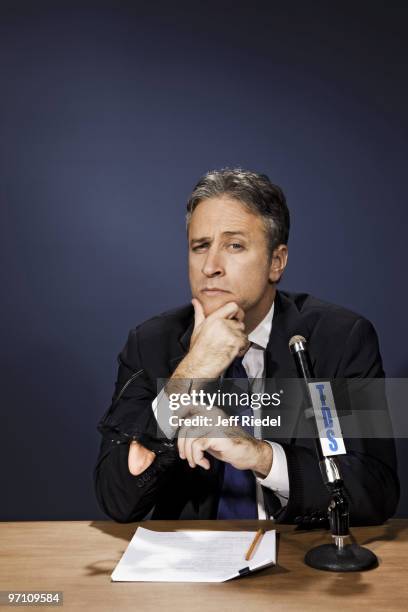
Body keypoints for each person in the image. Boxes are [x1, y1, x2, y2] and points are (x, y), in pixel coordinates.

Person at [94, 169, 399, 524]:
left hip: (298, 558)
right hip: (191, 569)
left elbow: (375, 488)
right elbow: (116, 498)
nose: (210, 266)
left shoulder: (340, 339)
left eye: (234, 245)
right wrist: (189, 375)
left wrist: (259, 455)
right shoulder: (150, 344)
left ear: (276, 261)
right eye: (200, 246)